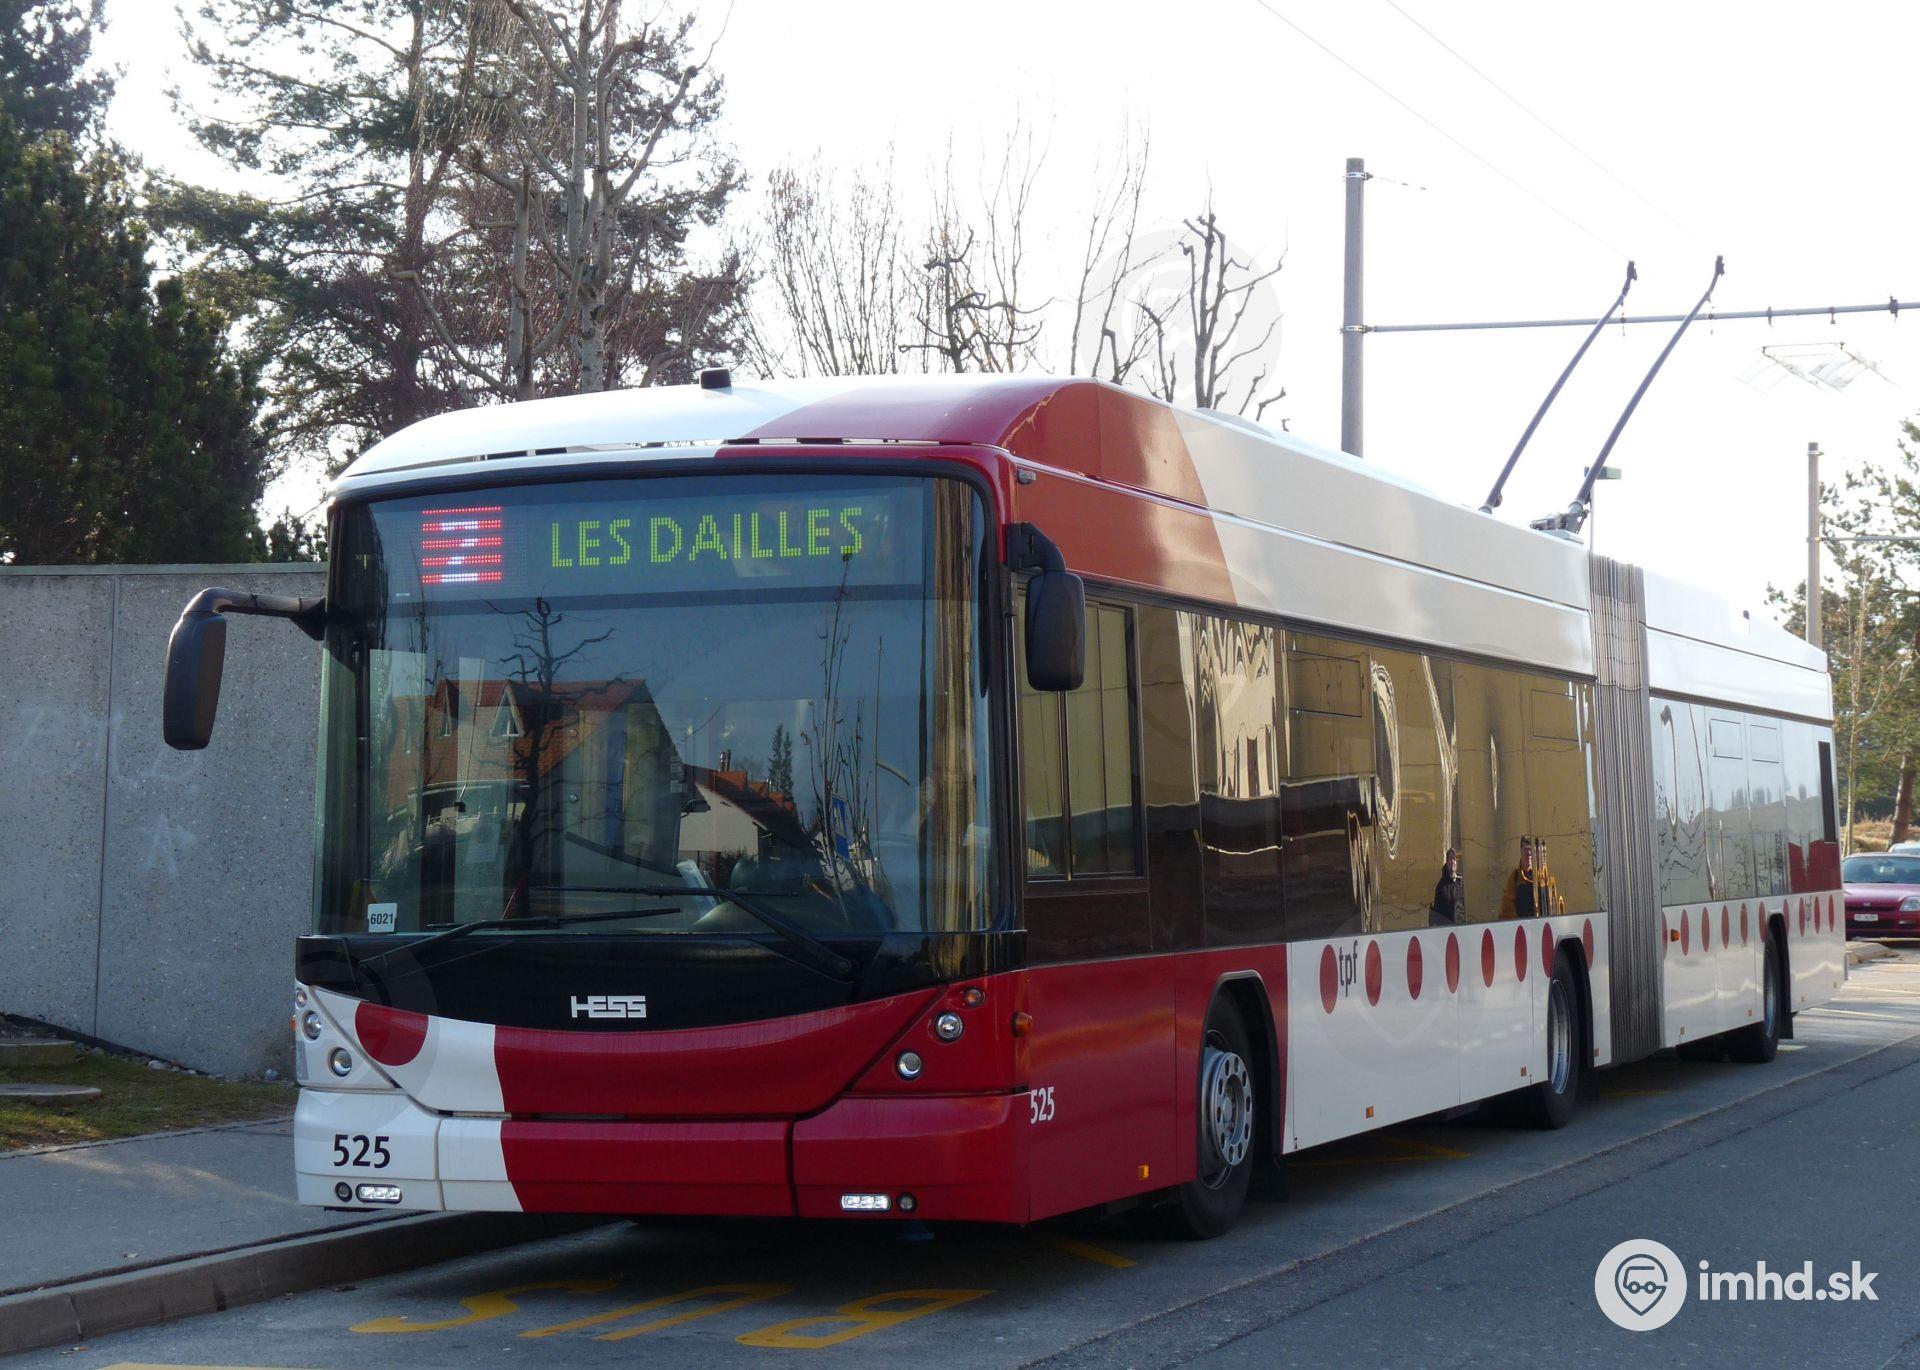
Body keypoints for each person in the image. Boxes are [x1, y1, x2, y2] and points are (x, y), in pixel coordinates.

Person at [1500, 836, 1540, 919]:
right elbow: (1506, 911)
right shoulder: (1514, 878)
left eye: (1531, 850)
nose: (1528, 853)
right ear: (1521, 851)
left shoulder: (1541, 877)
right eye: (1525, 849)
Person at [1431, 847, 1465, 924]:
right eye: (1450, 859)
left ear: (1456, 863)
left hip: (1462, 927)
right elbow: (1437, 914)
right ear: (1446, 862)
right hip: (1447, 928)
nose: (1452, 861)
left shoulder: (1462, 884)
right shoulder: (1441, 887)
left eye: (1454, 859)